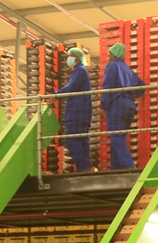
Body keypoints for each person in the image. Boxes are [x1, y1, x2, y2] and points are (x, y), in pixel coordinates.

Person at [100, 42, 143, 170]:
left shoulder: (112, 66)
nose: (108, 57)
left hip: (116, 105)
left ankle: (129, 166)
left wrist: (102, 105)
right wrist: (132, 94)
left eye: (109, 54)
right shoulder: (127, 69)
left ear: (115, 54)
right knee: (118, 137)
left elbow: (107, 87)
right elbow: (141, 87)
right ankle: (116, 169)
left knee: (116, 136)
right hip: (130, 106)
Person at [57, 48, 92, 173]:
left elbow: (72, 87)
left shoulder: (80, 70)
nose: (68, 58)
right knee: (82, 140)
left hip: (77, 112)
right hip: (83, 113)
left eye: (70, 56)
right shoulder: (81, 71)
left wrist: (56, 95)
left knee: (71, 138)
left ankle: (83, 167)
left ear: (77, 58)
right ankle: (86, 166)